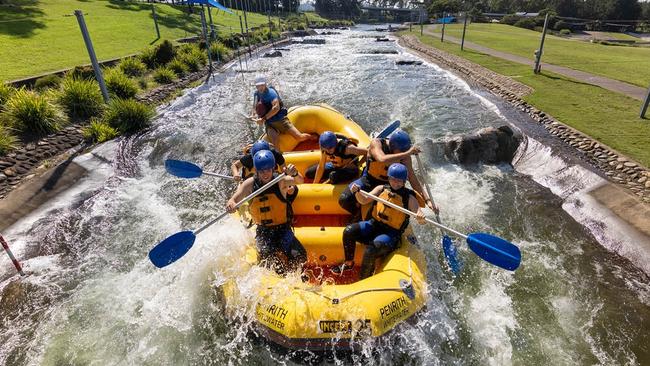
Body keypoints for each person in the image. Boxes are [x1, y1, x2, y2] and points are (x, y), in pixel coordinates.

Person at [332, 163, 426, 279]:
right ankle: (348, 263)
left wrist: (420, 216)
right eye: (393, 179)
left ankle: (363, 278)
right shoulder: (381, 189)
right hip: (374, 225)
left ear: (404, 181)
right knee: (348, 231)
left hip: (390, 233)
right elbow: (363, 200)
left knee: (371, 250)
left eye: (399, 181)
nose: (395, 183)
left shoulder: (409, 198)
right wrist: (357, 192)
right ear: (389, 178)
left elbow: (419, 215)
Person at [226, 150, 307, 274]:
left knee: (300, 256)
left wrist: (295, 173)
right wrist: (231, 203)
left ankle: (295, 277)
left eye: (268, 170)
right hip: (264, 232)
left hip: (282, 229)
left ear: (273, 169)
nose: (266, 174)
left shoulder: (281, 180)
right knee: (270, 262)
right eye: (262, 171)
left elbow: (300, 181)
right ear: (256, 171)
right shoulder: (249, 184)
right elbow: (235, 198)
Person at [338, 129, 438, 220]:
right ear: (392, 147)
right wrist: (407, 153)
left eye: (405, 150)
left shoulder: (405, 157)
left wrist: (428, 200)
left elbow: (413, 179)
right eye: (402, 151)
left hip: (388, 186)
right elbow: (382, 159)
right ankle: (357, 215)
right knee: (344, 199)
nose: (404, 153)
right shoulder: (376, 144)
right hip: (368, 180)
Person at [251, 76, 313, 150]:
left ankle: (313, 137)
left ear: (265, 84)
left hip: (281, 120)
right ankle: (279, 159)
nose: (260, 87)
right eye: (258, 86)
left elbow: (276, 108)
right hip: (270, 123)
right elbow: (255, 106)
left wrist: (263, 119)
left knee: (299, 137)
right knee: (275, 143)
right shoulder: (256, 93)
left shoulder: (271, 93)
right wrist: (253, 115)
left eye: (261, 85)